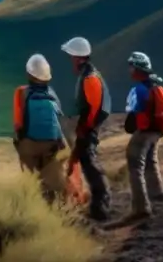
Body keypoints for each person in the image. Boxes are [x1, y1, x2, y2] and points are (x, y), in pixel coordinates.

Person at [62, 36, 113, 221]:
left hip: (88, 127)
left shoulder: (89, 77)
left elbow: (92, 108)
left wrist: (85, 129)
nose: (70, 60)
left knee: (90, 164)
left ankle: (101, 206)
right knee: (88, 163)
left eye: (71, 56)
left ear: (77, 57)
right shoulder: (89, 74)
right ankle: (99, 204)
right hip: (87, 127)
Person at [121, 52, 163, 222]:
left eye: (131, 66)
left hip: (145, 131)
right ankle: (157, 194)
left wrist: (131, 125)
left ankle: (141, 208)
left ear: (137, 68)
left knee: (135, 162)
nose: (129, 70)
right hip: (158, 130)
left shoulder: (139, 89)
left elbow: (133, 116)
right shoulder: (157, 85)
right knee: (151, 160)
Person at [13, 54, 69, 202]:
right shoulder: (52, 94)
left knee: (31, 180)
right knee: (52, 178)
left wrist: (19, 141)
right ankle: (56, 205)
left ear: (29, 74)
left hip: (29, 145)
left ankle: (32, 204)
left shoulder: (21, 92)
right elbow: (59, 120)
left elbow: (18, 123)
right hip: (52, 144)